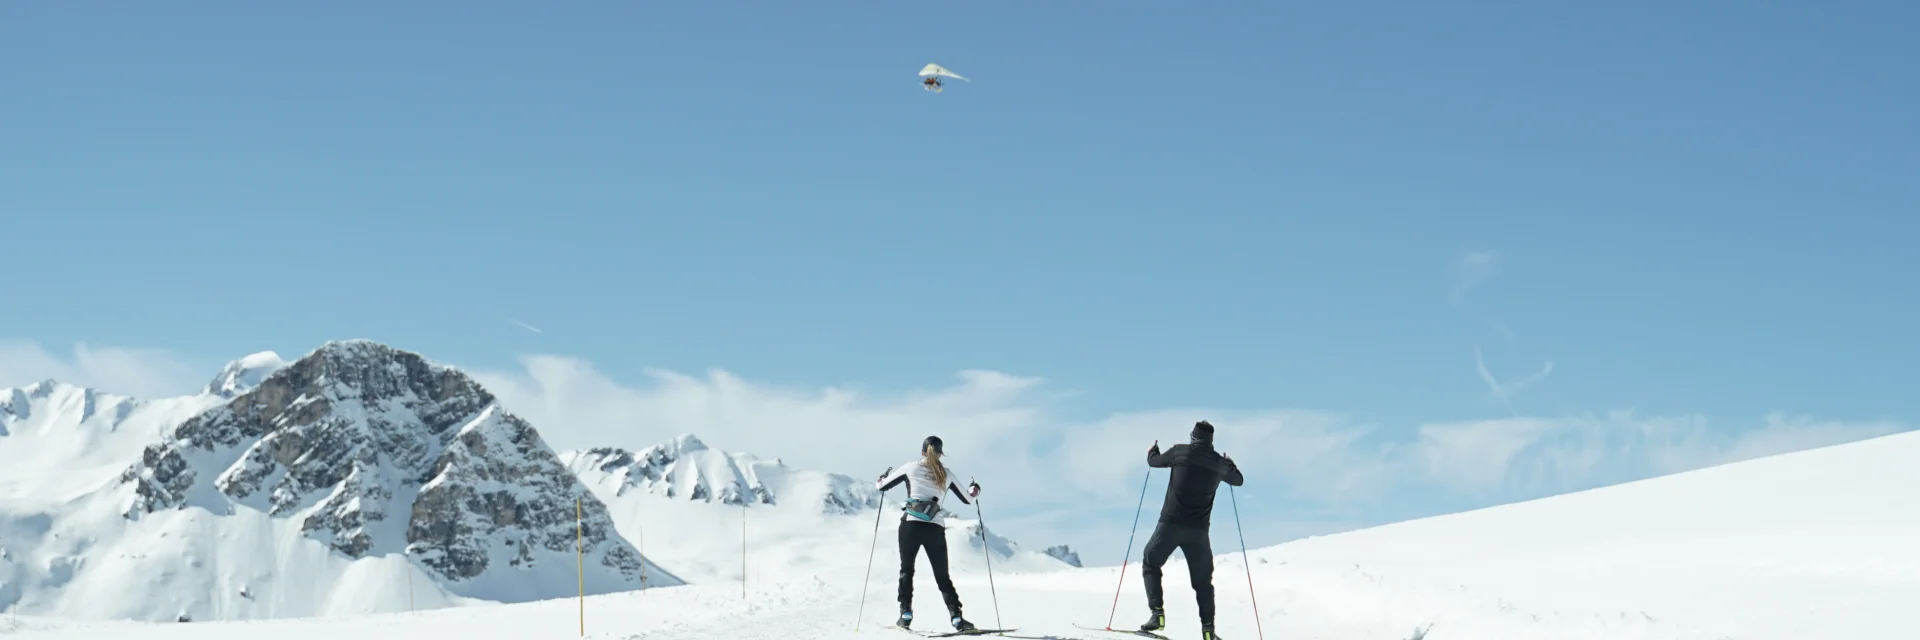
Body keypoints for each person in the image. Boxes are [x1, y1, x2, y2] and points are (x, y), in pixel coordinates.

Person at [1139, 420, 1244, 640]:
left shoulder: (1180, 452)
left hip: (1170, 525)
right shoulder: (1218, 463)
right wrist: (1230, 464)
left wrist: (1153, 450)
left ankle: (1157, 614)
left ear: (1193, 437)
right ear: (1210, 441)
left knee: (1151, 560)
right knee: (1203, 583)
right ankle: (1208, 631)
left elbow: (1154, 462)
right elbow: (1238, 480)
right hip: (1198, 533)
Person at [877, 435, 982, 632]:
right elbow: (969, 499)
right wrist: (975, 489)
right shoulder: (946, 474)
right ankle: (957, 618)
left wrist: (881, 477)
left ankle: (905, 614)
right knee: (942, 576)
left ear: (922, 451)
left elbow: (881, 486)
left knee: (906, 570)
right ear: (941, 454)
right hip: (935, 527)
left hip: (910, 525)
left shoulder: (911, 467)